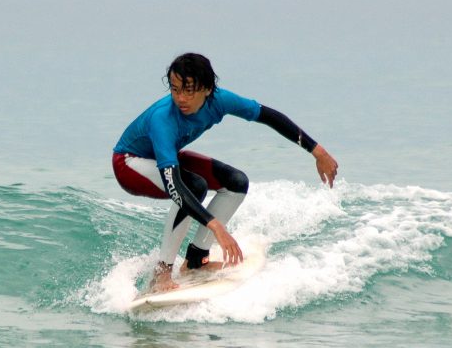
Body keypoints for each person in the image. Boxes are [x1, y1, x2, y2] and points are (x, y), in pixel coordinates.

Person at [112, 52, 339, 292]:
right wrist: (215, 226)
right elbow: (174, 186)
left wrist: (318, 152)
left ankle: (197, 261)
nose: (180, 98)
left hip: (160, 158)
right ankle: (162, 273)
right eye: (175, 89)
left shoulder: (220, 101)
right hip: (129, 164)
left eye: (189, 90)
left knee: (236, 182)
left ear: (208, 89)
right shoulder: (163, 118)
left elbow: (269, 116)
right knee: (193, 186)